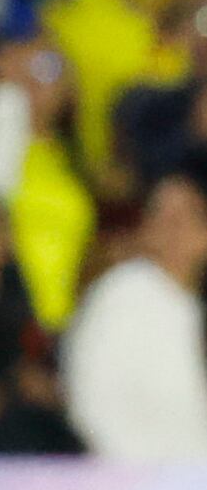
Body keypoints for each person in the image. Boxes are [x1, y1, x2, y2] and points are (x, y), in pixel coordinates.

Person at [61, 171, 207, 460]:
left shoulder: (190, 305)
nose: (173, 231)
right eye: (162, 218)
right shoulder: (121, 294)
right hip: (136, 479)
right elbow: (91, 398)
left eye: (183, 220)